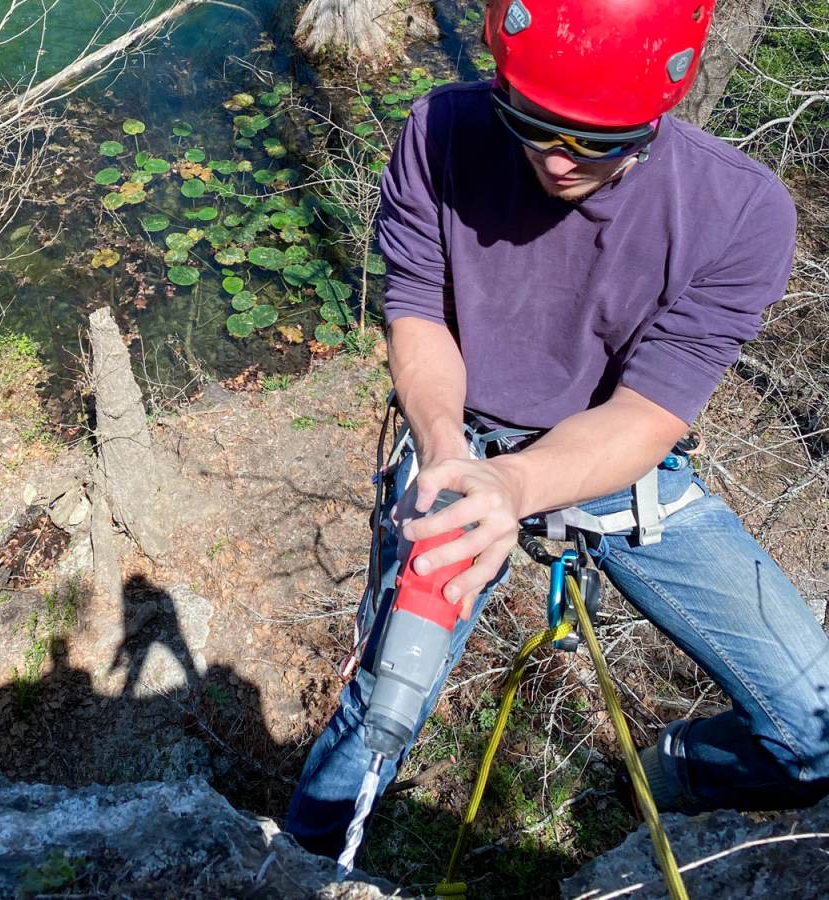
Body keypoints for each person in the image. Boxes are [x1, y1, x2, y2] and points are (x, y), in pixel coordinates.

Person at [286, 0, 829, 858]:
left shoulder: (740, 213)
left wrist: (520, 486)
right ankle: (302, 867)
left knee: (813, 724)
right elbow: (419, 311)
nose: (559, 159)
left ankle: (665, 773)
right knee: (384, 703)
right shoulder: (440, 131)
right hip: (461, 442)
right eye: (532, 125)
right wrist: (449, 455)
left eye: (598, 142)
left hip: (616, 463)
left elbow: (650, 409)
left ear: (659, 111)